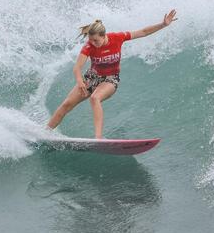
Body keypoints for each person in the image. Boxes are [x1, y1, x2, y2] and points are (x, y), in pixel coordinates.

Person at [46, 9, 178, 139]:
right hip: (91, 77)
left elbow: (142, 32)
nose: (93, 43)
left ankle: (98, 138)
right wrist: (80, 81)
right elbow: (77, 67)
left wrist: (163, 25)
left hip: (110, 79)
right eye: (91, 40)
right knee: (66, 105)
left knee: (95, 98)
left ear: (104, 36)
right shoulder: (89, 46)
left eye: (96, 40)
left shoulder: (117, 38)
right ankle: (46, 132)